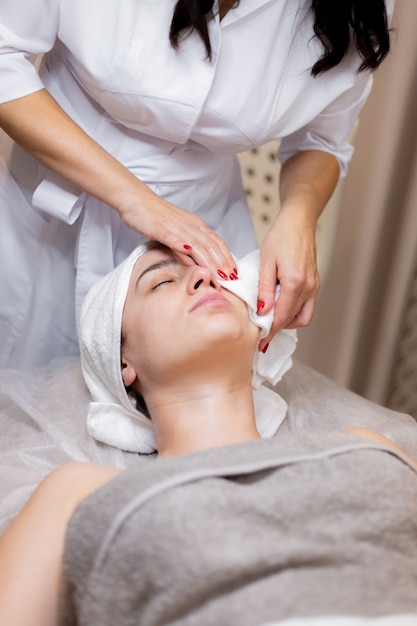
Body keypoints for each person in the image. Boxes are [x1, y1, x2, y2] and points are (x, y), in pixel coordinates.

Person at [0, 242, 416, 626]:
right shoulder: (75, 493)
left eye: (222, 274)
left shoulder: (366, 445)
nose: (206, 277)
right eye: (162, 281)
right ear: (121, 360)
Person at [0, 0, 394, 368]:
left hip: (204, 235)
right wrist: (135, 198)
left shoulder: (355, 7)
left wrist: (299, 218)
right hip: (43, 224)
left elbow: (321, 139)